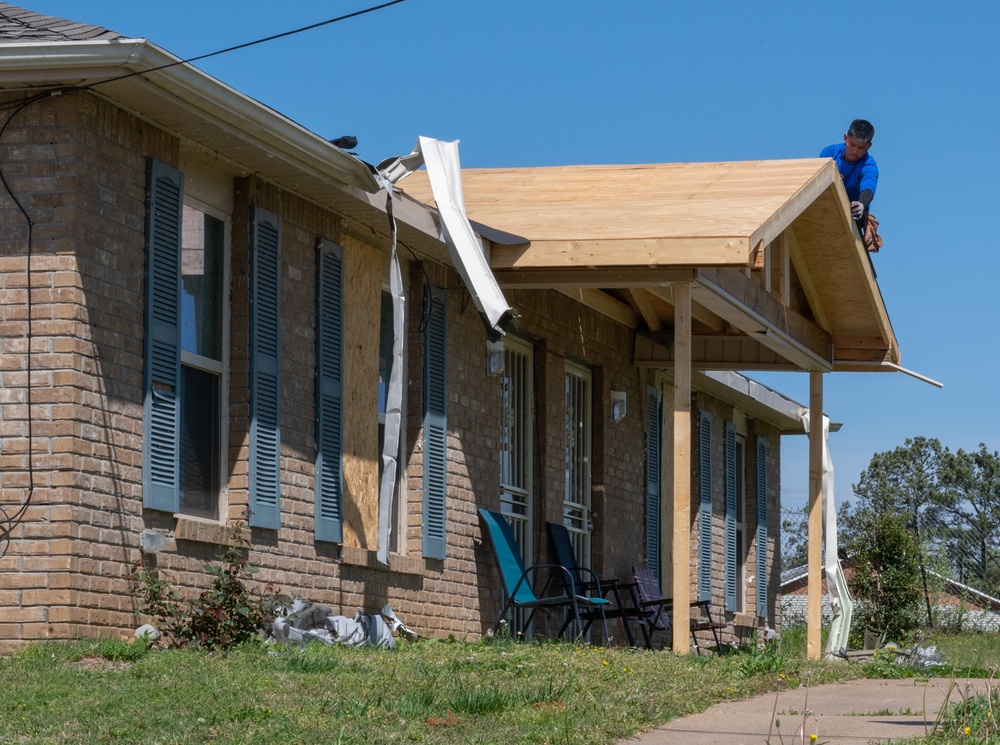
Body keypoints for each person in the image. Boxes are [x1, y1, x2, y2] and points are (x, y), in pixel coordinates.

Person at [821, 119, 878, 226]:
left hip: (852, 221)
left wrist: (861, 204)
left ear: (869, 146)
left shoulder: (869, 165)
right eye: (852, 145)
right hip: (825, 209)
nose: (855, 151)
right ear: (845, 138)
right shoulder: (830, 153)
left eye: (861, 148)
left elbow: (869, 188)